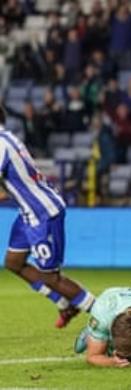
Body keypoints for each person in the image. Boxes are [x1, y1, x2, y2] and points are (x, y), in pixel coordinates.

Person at [0, 105, 95, 328]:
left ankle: (107, 314)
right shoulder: (7, 139)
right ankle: (64, 304)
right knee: (14, 263)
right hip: (28, 212)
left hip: (42, 213)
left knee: (51, 277)